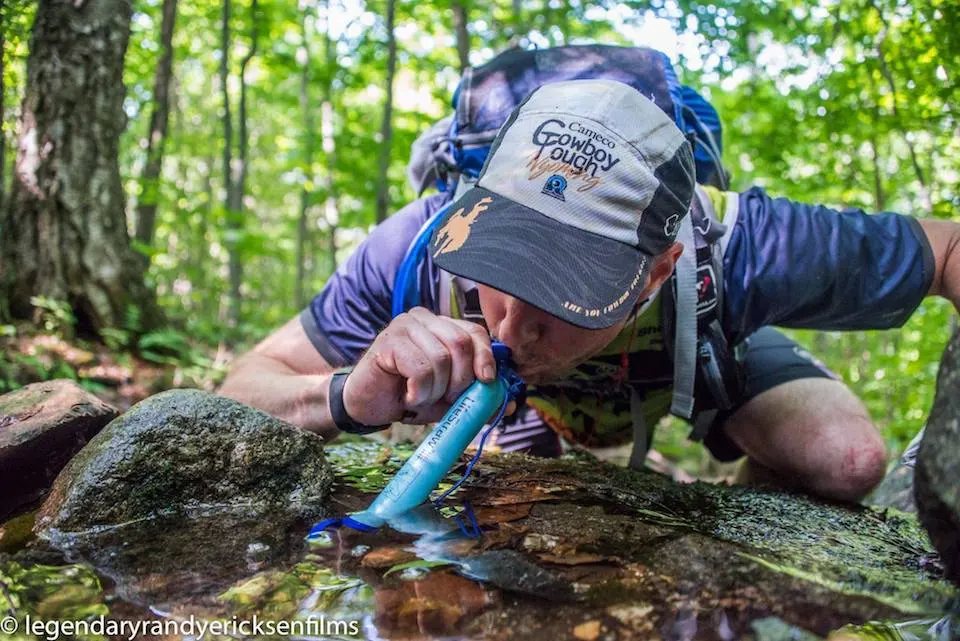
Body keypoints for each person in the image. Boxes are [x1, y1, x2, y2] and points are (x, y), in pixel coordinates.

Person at [220, 79, 960, 504]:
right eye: (501, 268)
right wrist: (346, 394)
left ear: (657, 269)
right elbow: (237, 393)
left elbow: (946, 248)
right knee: (511, 502)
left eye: (564, 292)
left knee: (850, 457)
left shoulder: (751, 247)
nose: (511, 326)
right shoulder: (413, 246)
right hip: (525, 412)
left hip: (688, 354)